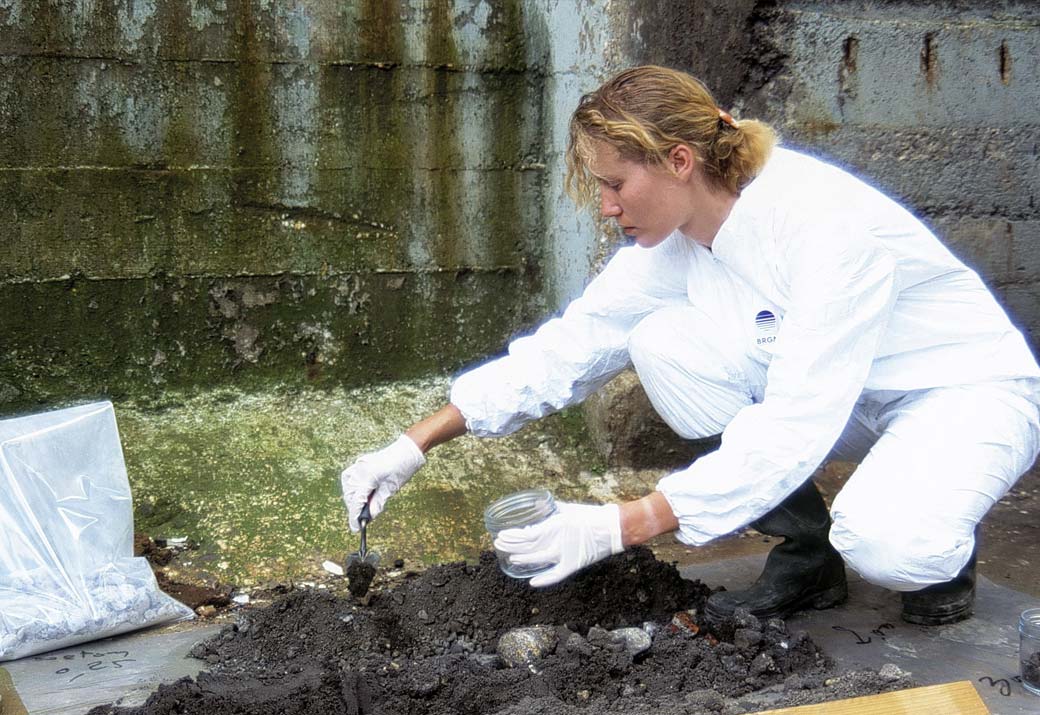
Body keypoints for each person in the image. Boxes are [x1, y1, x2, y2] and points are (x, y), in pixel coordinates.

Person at [341, 65, 1040, 626]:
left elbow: (795, 423)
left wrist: (621, 524)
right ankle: (808, 554)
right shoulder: (672, 240)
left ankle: (945, 537)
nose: (606, 206)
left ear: (678, 160)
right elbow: (573, 345)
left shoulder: (824, 228)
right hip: (845, 398)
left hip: (961, 393)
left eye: (615, 184)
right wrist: (413, 443)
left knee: (885, 541)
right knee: (659, 343)